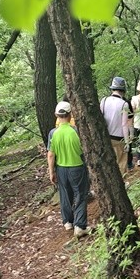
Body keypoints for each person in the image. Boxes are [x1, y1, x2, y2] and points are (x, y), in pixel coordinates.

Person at [47, 101, 89, 237]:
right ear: (71, 114)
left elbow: (51, 154)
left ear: (56, 115)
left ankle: (67, 222)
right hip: (77, 166)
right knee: (80, 194)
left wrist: (51, 172)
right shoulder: (76, 131)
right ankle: (80, 225)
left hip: (61, 168)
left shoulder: (53, 133)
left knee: (65, 194)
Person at [100, 76, 133, 176]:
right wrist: (127, 142)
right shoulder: (124, 104)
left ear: (112, 88)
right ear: (123, 90)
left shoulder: (104, 100)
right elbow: (124, 124)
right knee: (121, 163)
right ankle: (121, 184)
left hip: (105, 137)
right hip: (119, 139)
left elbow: (101, 118)